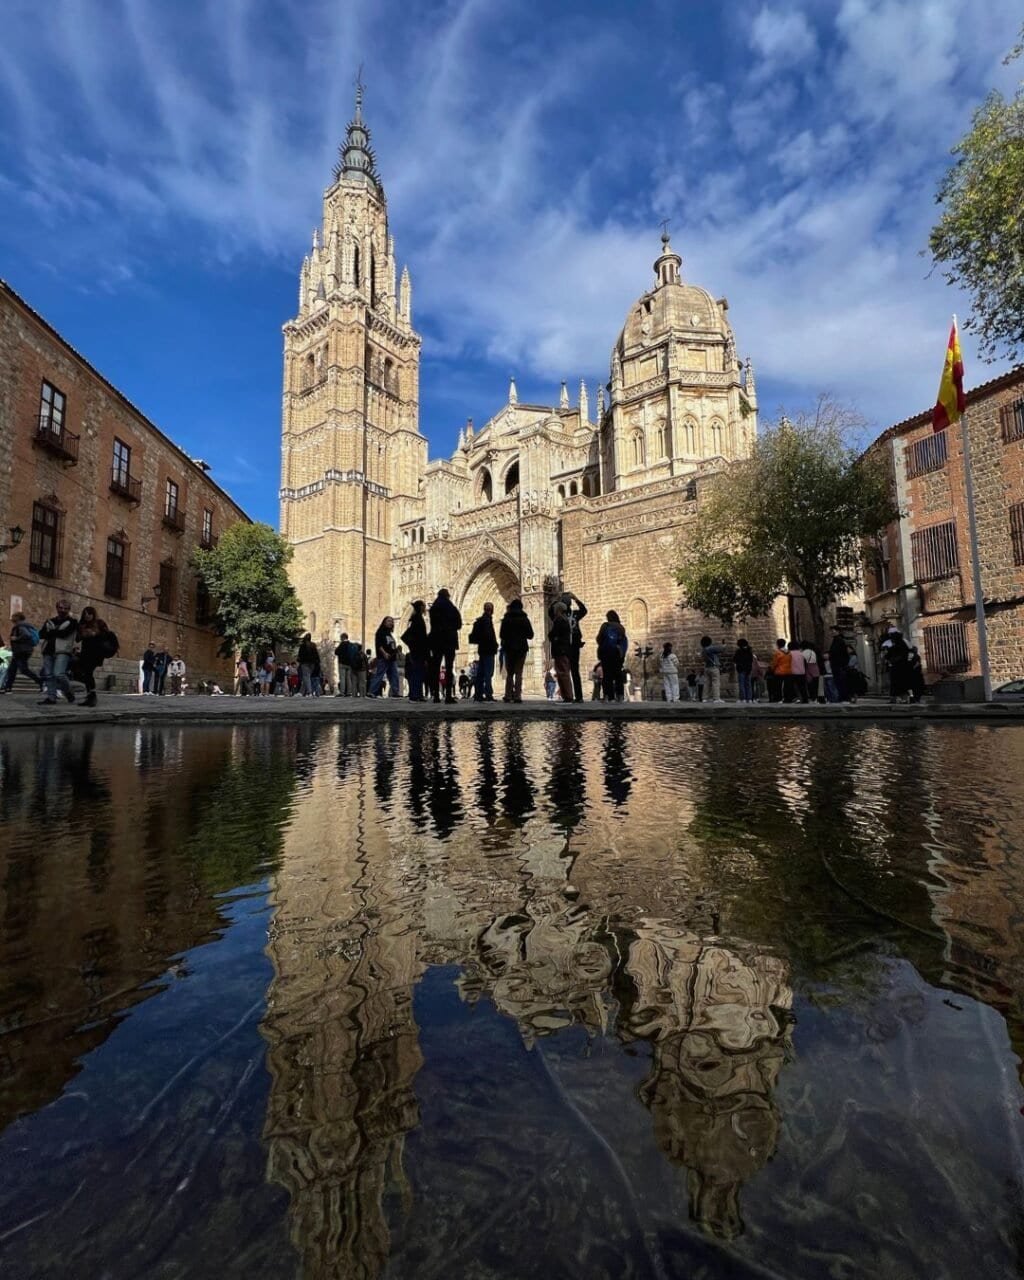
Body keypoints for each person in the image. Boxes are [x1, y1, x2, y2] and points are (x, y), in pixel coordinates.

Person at [549, 591, 588, 702]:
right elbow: (550, 611)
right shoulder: (560, 615)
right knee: (567, 671)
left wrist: (575, 598)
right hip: (566, 645)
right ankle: (569, 695)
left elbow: (584, 610)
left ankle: (577, 696)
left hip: (573, 645)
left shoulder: (573, 614)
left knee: (572, 671)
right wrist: (560, 598)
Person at [38, 599, 78, 705]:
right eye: (60, 608)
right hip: (48, 650)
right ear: (57, 608)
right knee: (48, 675)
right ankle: (51, 697)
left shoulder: (73, 622)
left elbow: (64, 634)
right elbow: (41, 634)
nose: (63, 610)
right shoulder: (50, 621)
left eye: (65, 608)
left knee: (59, 674)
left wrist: (51, 632)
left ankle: (69, 692)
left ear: (69, 609)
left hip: (63, 651)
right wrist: (55, 632)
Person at [428, 588, 462, 704]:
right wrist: (450, 627)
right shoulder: (452, 608)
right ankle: (448, 696)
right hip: (449, 640)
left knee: (435, 667)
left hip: (436, 640)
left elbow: (432, 624)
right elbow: (459, 624)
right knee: (449, 667)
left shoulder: (433, 608)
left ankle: (436, 696)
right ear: (447, 596)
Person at [496, 599, 533, 702]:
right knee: (519, 673)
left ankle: (508, 695)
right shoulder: (524, 619)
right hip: (521, 648)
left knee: (510, 673)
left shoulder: (506, 619)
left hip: (509, 648)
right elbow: (530, 635)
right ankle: (517, 696)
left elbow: (502, 635)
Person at [1, 613, 42, 693]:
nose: (12, 618)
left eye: (13, 616)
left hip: (21, 651)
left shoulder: (20, 626)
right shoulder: (24, 625)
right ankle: (8, 688)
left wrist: (16, 638)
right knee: (12, 670)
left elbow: (27, 635)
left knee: (24, 670)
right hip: (20, 651)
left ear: (18, 618)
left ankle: (41, 682)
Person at [468, 601, 499, 702]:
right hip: (489, 650)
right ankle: (488, 694)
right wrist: (494, 645)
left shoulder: (481, 620)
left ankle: (478, 694)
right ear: (491, 610)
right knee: (488, 673)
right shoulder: (487, 621)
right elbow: (489, 636)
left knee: (481, 673)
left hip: (482, 649)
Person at [596, 610, 628, 703]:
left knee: (607, 675)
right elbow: (623, 641)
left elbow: (599, 639)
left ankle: (609, 697)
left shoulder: (605, 626)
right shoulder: (621, 627)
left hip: (606, 653)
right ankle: (620, 696)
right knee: (618, 675)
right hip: (617, 654)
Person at [401, 601, 430, 701]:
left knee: (419, 673)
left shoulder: (417, 618)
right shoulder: (417, 619)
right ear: (421, 607)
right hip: (419, 651)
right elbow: (416, 637)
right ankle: (415, 695)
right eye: (424, 606)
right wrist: (414, 647)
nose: (425, 608)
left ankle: (418, 695)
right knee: (417, 673)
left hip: (418, 651)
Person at [548, 600, 575, 701]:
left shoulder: (560, 620)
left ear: (558, 610)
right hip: (563, 649)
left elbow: (553, 634)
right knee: (562, 673)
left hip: (560, 650)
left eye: (555, 610)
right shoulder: (564, 619)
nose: (554, 612)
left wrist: (552, 637)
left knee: (563, 673)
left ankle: (568, 696)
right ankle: (566, 696)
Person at [369, 616, 400, 698]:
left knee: (394, 675)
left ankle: (395, 693)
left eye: (392, 621)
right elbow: (379, 645)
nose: (391, 623)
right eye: (389, 621)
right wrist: (384, 653)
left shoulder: (389, 634)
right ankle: (372, 692)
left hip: (392, 658)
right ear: (384, 622)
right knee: (379, 675)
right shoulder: (380, 632)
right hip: (384, 658)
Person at [699, 635, 725, 704]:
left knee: (706, 683)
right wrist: (724, 644)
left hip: (706, 668)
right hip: (714, 667)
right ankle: (716, 698)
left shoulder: (703, 650)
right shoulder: (710, 648)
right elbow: (721, 649)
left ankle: (705, 698)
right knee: (715, 683)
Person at [828, 626, 850, 702]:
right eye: (831, 631)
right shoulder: (835, 641)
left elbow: (842, 654)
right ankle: (841, 697)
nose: (831, 632)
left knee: (841, 682)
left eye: (833, 631)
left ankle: (844, 697)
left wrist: (842, 664)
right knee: (838, 682)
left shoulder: (839, 641)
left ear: (837, 631)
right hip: (836, 665)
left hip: (839, 665)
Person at [768, 639, 790, 703]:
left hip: (779, 671)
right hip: (788, 671)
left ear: (777, 644)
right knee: (787, 686)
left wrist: (771, 669)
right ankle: (787, 698)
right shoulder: (789, 652)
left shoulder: (778, 653)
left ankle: (779, 698)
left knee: (778, 686)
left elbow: (775, 663)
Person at [334, 632, 353, 697]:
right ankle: (349, 692)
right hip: (350, 664)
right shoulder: (350, 644)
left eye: (341, 638)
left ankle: (342, 692)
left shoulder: (342, 644)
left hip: (342, 663)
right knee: (348, 678)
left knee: (342, 678)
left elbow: (336, 652)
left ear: (343, 637)